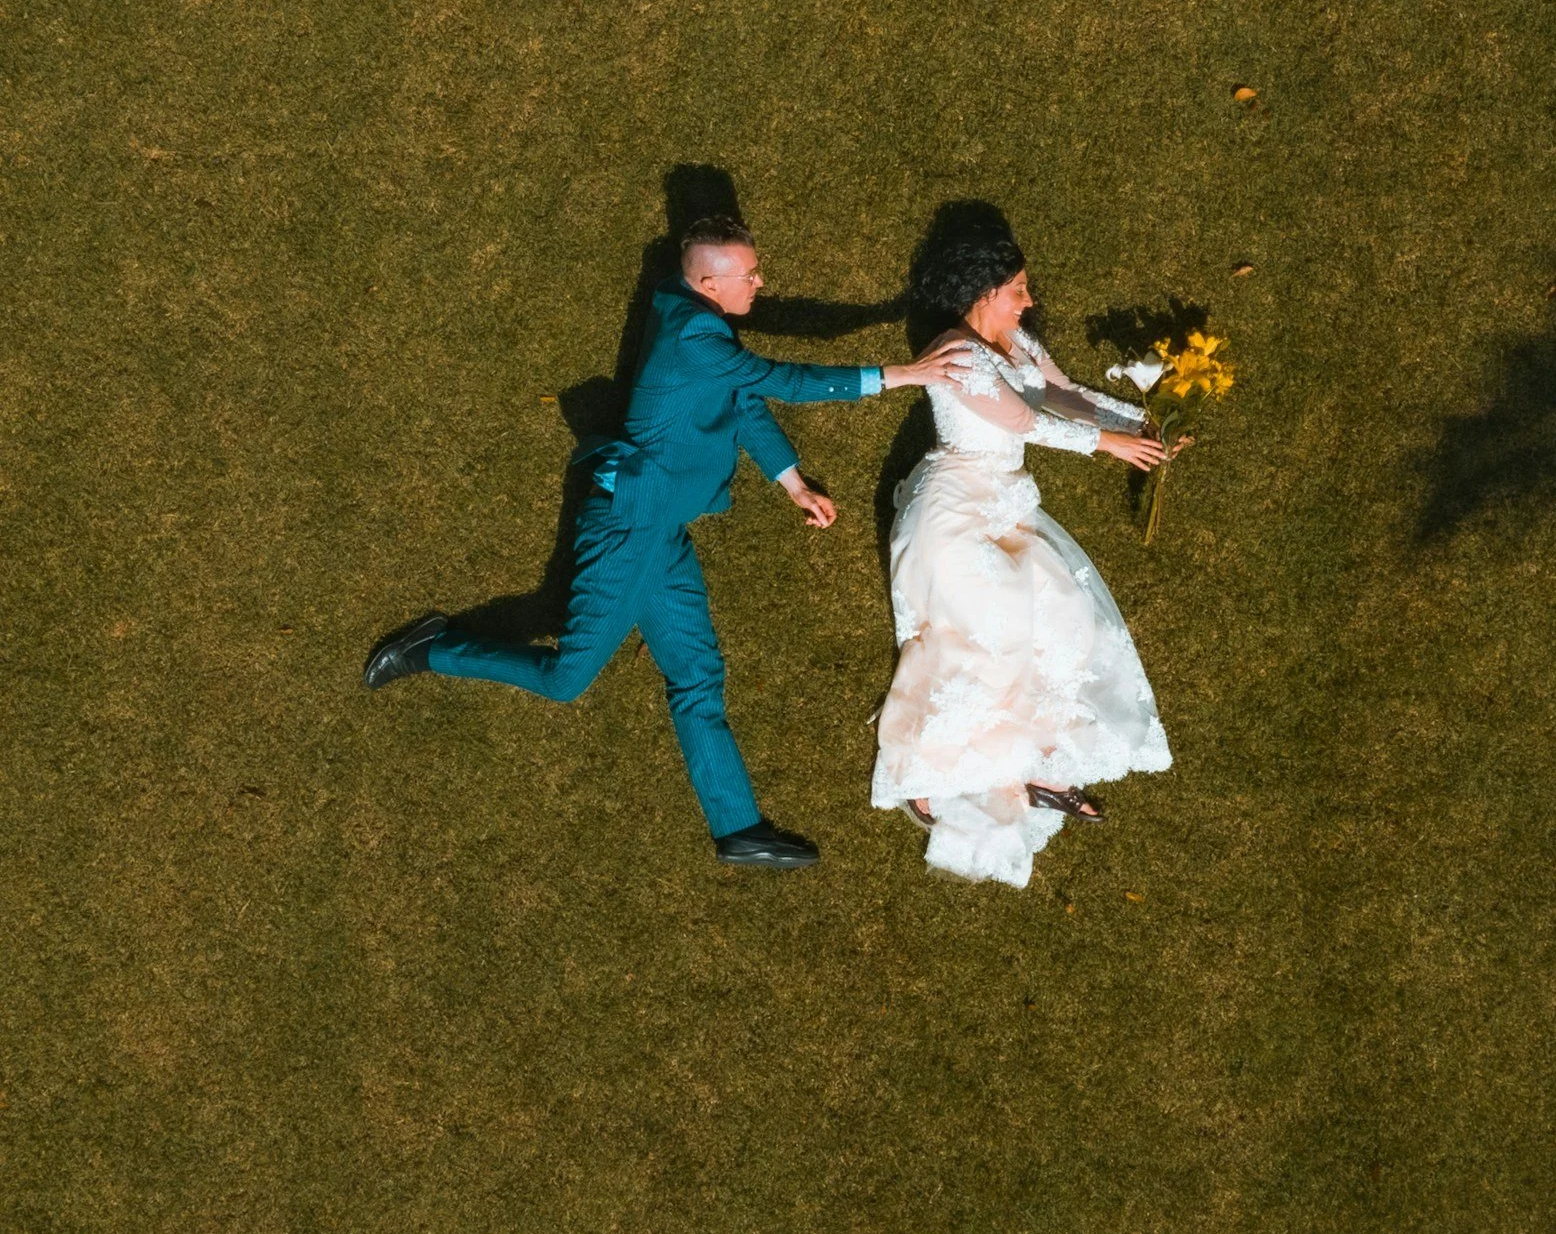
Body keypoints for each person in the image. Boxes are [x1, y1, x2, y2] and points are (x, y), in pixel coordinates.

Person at [362, 215, 973, 870]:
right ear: (709, 282)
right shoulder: (691, 334)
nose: (761, 282)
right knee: (568, 680)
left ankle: (738, 829)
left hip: (659, 526)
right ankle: (435, 649)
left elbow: (740, 398)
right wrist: (906, 375)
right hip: (628, 528)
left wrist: (792, 483)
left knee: (696, 677)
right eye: (749, 274)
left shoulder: (701, 326)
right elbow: (781, 380)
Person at [871, 223, 1184, 888]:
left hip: (1004, 504)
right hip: (953, 511)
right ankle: (921, 772)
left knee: (1064, 626)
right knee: (985, 642)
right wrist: (1107, 447)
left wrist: (1144, 427)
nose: (1027, 300)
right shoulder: (954, 352)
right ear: (981, 291)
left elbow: (1062, 395)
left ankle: (1036, 765)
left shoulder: (1011, 340)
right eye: (1016, 289)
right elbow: (1020, 421)